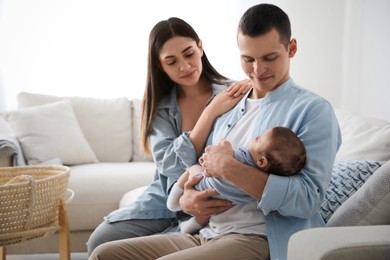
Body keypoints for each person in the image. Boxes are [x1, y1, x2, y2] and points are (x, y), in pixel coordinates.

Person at [89, 3, 341, 260]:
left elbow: (308, 199)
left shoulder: (313, 110)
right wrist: (187, 199)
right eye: (248, 59)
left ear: (292, 48)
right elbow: (197, 170)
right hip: (205, 232)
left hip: (258, 236)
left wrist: (229, 167)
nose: (257, 70)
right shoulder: (228, 106)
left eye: (269, 57)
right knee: (104, 253)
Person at [86, 17, 250, 255]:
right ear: (160, 65)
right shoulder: (160, 107)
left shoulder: (234, 94)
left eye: (189, 54)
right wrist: (210, 113)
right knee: (99, 241)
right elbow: (168, 163)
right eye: (171, 61)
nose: (184, 66)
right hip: (166, 195)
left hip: (213, 195)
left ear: (200, 47)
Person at [167, 126, 307, 234]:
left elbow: (224, 145)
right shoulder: (256, 184)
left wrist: (223, 144)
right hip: (222, 201)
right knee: (209, 211)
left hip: (204, 183)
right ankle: (188, 228)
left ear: (262, 161)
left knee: (192, 168)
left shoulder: (241, 159)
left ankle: (172, 202)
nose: (256, 136)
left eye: (259, 139)